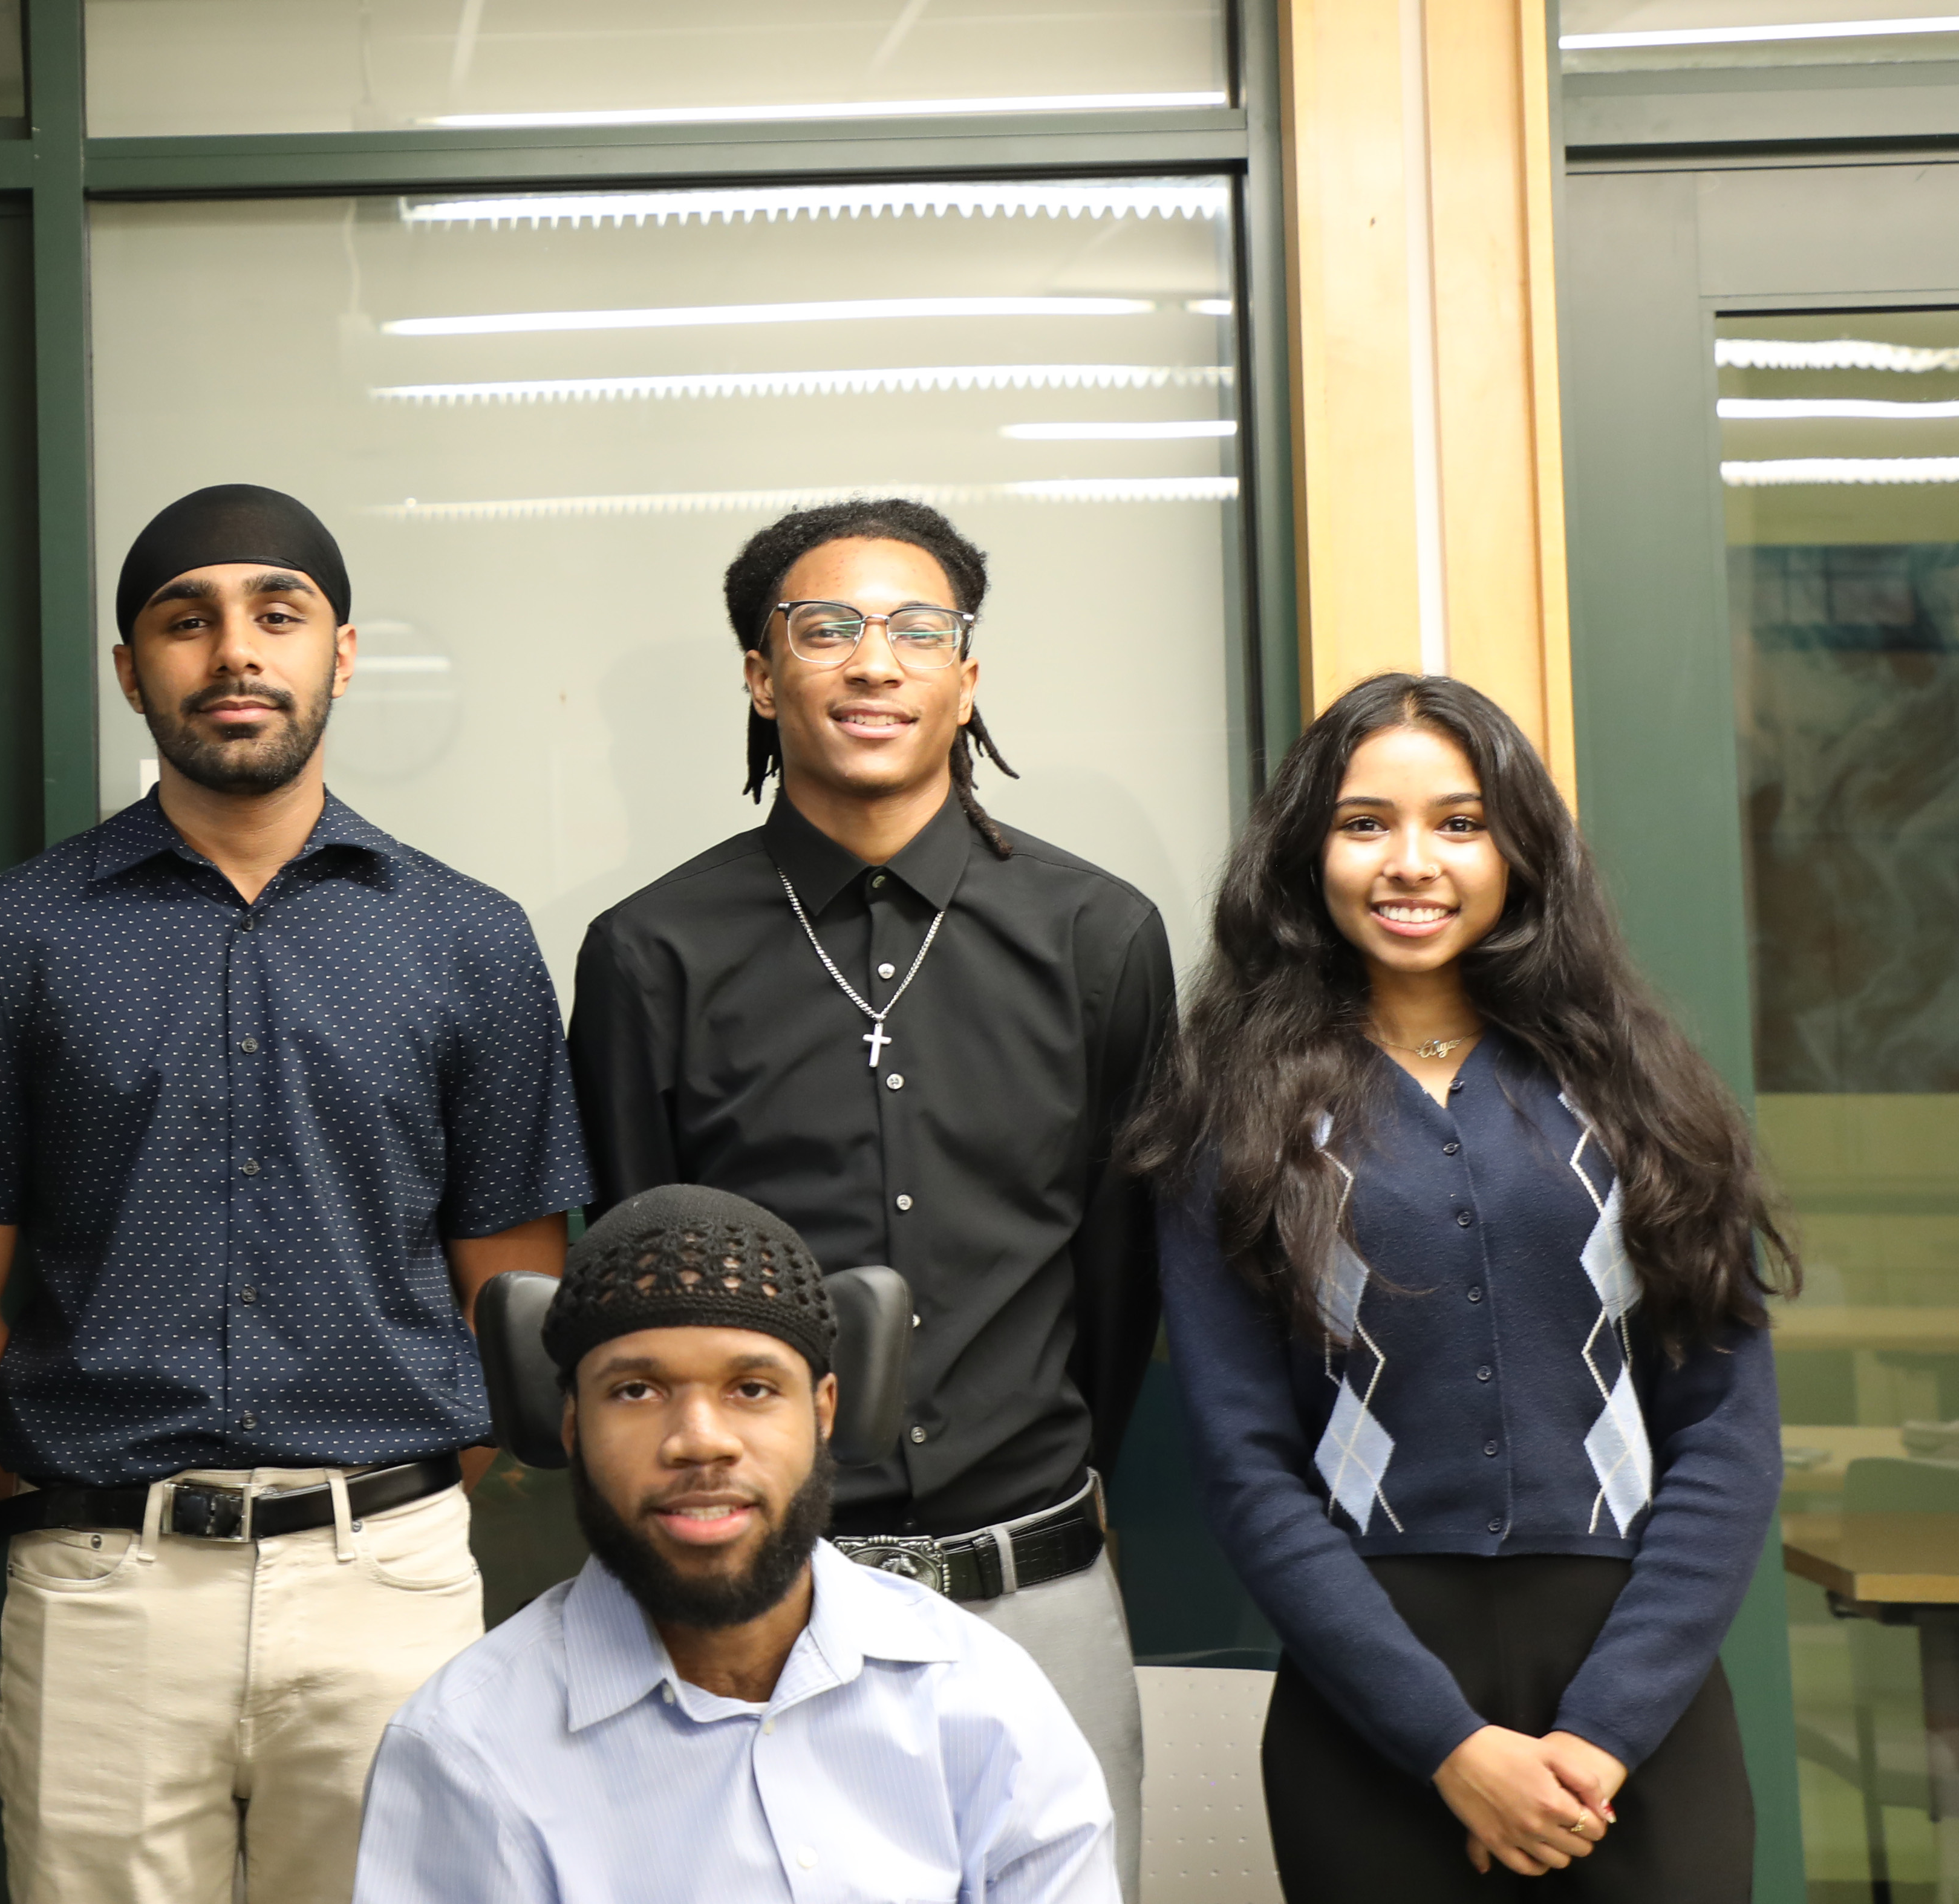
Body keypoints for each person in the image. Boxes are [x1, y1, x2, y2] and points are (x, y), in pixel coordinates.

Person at [0, 483, 590, 1904]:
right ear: (129, 668)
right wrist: (68, 1508)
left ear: (342, 651)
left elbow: (519, 1301)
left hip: (388, 1584)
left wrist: (390, 1497)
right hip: (106, 1593)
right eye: (185, 619)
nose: (234, 650)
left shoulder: (467, 938)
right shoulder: (14, 935)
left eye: (278, 612)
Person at [567, 497, 1170, 1888]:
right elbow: (635, 1301)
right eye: (824, 626)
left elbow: (1122, 1270)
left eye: (915, 628)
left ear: (967, 673)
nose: (873, 660)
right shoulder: (649, 953)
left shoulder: (1097, 936)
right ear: (758, 673)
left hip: (1035, 1586)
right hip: (757, 1598)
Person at [1126, 673, 1794, 1899]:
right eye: (1363, 822)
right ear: (1306, 852)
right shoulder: (1231, 1119)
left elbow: (1725, 1429)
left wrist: (1602, 1731)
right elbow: (1245, 1464)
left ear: (1518, 849)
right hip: (1369, 1713)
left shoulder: (1641, 1093)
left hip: (1637, 1703)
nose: (1410, 861)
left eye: (1459, 822)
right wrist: (1450, 1745)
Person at [352, 1185, 1118, 1903]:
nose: (700, 1440)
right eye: (636, 1390)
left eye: (752, 1388)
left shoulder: (982, 1699)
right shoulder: (466, 1749)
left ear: (824, 1411)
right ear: (573, 1425)